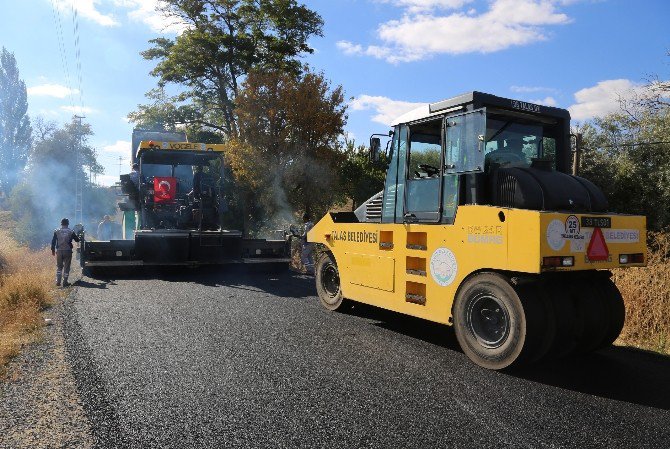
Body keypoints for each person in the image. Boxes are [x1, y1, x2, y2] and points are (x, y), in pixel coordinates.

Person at [51, 218, 80, 287]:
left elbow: (53, 241)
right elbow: (77, 240)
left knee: (59, 267)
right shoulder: (71, 231)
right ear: (68, 224)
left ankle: (58, 281)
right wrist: (78, 234)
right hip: (68, 251)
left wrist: (53, 250)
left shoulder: (56, 231)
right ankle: (65, 282)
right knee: (67, 267)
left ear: (61, 224)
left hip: (59, 251)